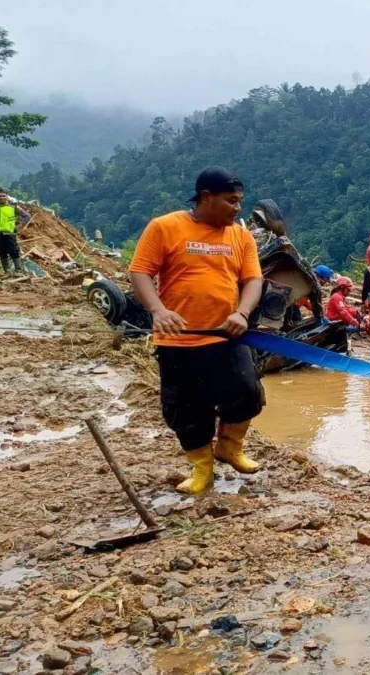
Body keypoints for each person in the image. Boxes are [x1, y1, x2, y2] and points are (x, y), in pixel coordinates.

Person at [128, 168, 265, 495]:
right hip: (179, 340)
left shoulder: (241, 236)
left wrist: (242, 313)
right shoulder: (165, 227)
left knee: (248, 392)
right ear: (206, 197)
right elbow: (140, 273)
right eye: (231, 201)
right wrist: (158, 310)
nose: (238, 208)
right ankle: (202, 469)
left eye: (240, 201)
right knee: (187, 409)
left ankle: (230, 447)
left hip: (227, 336)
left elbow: (253, 280)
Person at [0, 191, 31, 275]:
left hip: (9, 233)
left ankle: (19, 270)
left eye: (4, 196)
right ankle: (7, 271)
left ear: (6, 197)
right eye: (0, 196)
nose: (2, 198)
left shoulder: (13, 207)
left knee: (14, 251)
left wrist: (19, 226)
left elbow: (26, 216)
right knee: (1, 252)